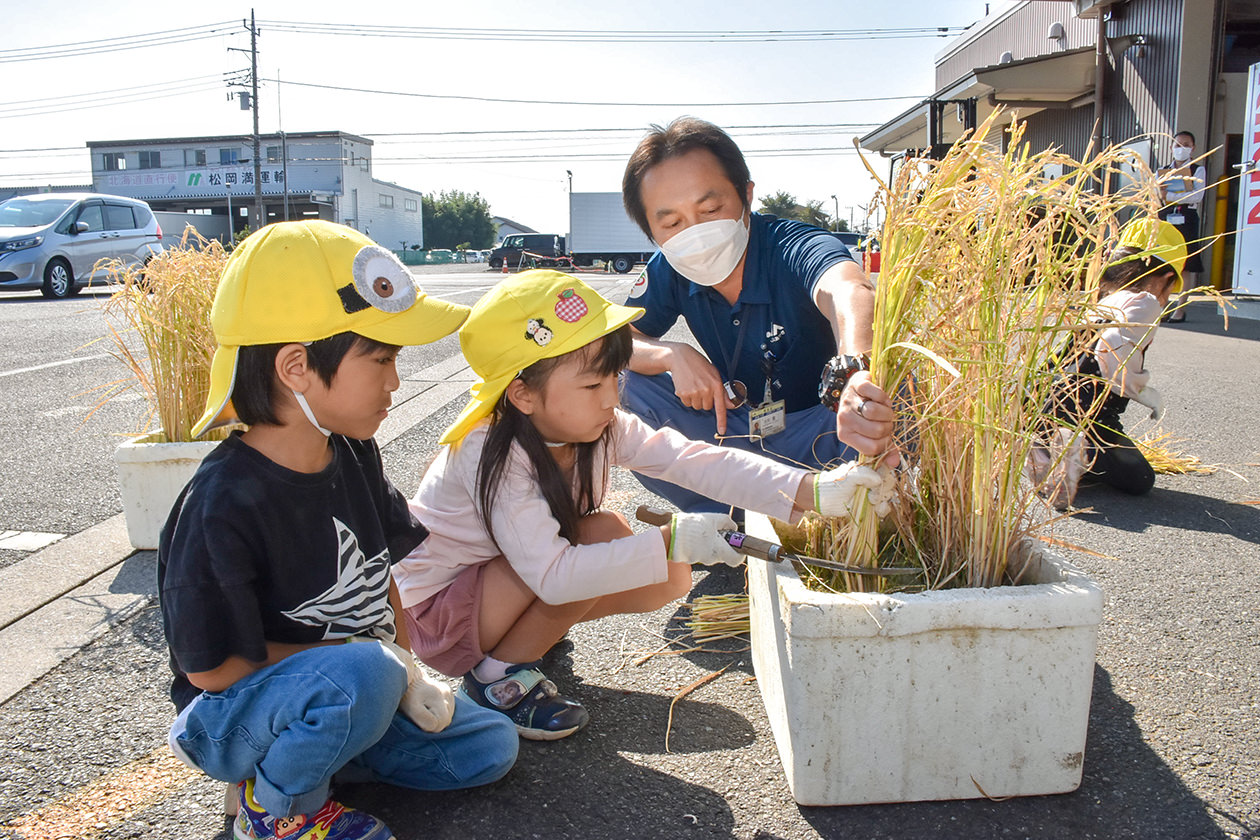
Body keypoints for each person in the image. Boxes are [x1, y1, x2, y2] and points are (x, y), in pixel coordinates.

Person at [393, 270, 891, 741]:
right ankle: (495, 678)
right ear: (521, 393)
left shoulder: (601, 425)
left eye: (614, 378)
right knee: (601, 538)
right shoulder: (490, 449)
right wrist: (671, 539)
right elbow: (556, 576)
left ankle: (524, 641)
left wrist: (814, 492)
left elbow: (696, 462)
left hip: (499, 587)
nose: (612, 398)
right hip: (441, 614)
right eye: (592, 385)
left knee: (665, 576)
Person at [158, 221, 519, 840]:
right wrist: (377, 668)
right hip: (230, 715)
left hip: (350, 685)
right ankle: (273, 810)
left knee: (490, 743)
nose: (394, 381)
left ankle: (329, 755)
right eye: (380, 358)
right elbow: (213, 672)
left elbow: (384, 580)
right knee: (366, 673)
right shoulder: (221, 503)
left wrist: (409, 666)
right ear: (296, 366)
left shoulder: (353, 453)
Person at [617, 117, 898, 515]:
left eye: (710, 208)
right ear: (650, 231)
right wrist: (670, 354)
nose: (694, 232)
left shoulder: (791, 245)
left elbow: (848, 289)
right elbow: (615, 337)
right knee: (623, 386)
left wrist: (856, 371)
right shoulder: (668, 269)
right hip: (737, 432)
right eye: (672, 223)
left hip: (826, 432)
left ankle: (854, 506)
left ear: (746, 196)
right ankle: (734, 521)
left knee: (892, 391)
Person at [1029, 218, 1187, 510]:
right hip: (1088, 409)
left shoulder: (1104, 297)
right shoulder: (1146, 302)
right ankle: (1076, 446)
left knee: (1087, 450)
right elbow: (1113, 345)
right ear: (1165, 276)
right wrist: (1143, 391)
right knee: (1139, 478)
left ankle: (1047, 449)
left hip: (1048, 398)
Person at [1157, 130, 1207, 321]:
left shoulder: (1198, 169)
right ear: (1171, 148)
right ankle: (1162, 305)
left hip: (1187, 216)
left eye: (1186, 145)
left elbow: (1196, 195)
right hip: (1166, 215)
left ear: (1193, 148)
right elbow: (1155, 195)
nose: (1181, 149)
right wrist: (1163, 198)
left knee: (1187, 263)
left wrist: (1169, 196)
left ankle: (1181, 307)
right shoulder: (1162, 170)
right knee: (1164, 262)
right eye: (1178, 145)